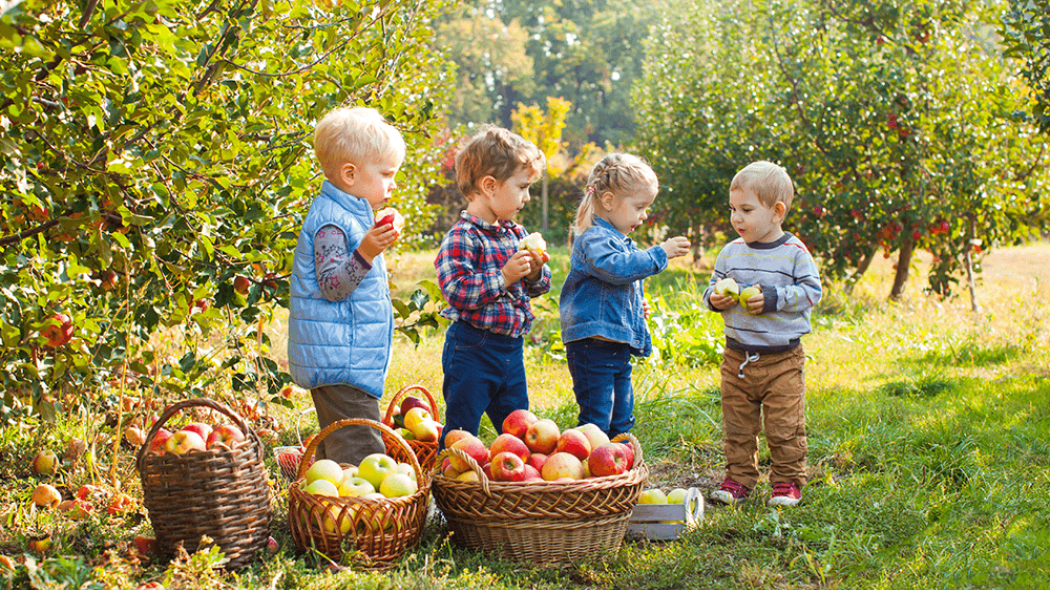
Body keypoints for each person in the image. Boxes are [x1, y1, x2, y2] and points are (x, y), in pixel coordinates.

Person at [287, 106, 404, 465]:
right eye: (386, 174)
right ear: (350, 174)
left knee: (340, 445)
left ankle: (325, 506)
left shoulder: (348, 214)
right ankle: (363, 516)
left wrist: (372, 240)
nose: (392, 183)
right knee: (361, 450)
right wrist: (368, 250)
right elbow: (333, 287)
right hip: (341, 360)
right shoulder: (331, 223)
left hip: (344, 355)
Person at [703, 160, 823, 507]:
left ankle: (787, 481)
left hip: (781, 358)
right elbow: (710, 290)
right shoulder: (730, 252)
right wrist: (715, 298)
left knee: (784, 426)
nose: (736, 218)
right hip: (737, 356)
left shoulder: (794, 253)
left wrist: (774, 298)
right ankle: (739, 478)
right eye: (732, 209)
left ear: (776, 211)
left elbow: (812, 293)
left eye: (746, 209)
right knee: (737, 425)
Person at [559, 153, 691, 439]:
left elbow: (616, 286)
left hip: (615, 344)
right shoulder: (594, 238)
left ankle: (619, 467)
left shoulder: (619, 241)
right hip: (593, 347)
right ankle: (594, 473)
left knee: (622, 414)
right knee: (597, 418)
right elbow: (618, 270)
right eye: (640, 206)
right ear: (608, 201)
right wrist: (661, 252)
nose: (644, 215)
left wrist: (632, 307)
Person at [434, 126, 551, 448]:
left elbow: (540, 287)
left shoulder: (516, 233)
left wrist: (534, 273)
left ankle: (515, 491)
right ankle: (447, 491)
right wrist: (504, 277)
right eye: (522, 187)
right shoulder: (462, 237)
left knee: (521, 430)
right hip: (472, 348)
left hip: (510, 350)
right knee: (461, 429)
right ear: (489, 186)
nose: (527, 197)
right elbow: (456, 290)